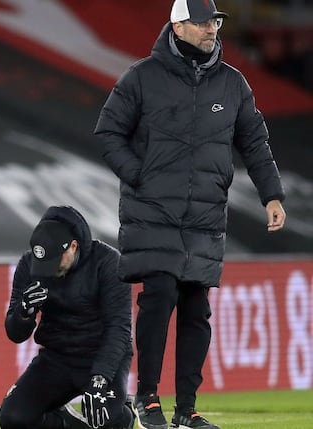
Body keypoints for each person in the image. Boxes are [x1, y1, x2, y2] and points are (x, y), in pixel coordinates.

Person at [94, 0, 286, 428]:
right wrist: (137, 175)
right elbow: (108, 132)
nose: (211, 29)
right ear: (177, 26)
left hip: (204, 218)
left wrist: (272, 196)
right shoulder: (142, 77)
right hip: (152, 212)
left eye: (215, 21)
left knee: (197, 310)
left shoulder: (233, 84)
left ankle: (187, 409)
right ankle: (146, 399)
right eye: (202, 22)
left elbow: (255, 144)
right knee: (159, 298)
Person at [0, 205, 134, 429]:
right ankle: (65, 422)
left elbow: (119, 329)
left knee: (106, 420)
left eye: (55, 261)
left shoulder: (108, 262)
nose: (49, 270)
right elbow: (15, 334)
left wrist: (100, 378)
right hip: (56, 357)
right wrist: (24, 312)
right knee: (12, 418)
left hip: (99, 357)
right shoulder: (29, 265)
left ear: (73, 246)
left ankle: (125, 415)